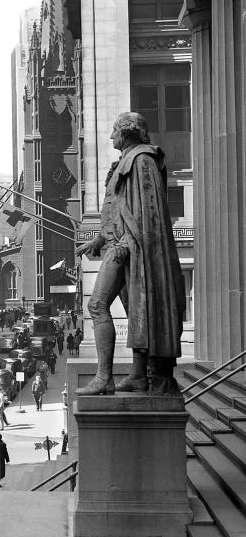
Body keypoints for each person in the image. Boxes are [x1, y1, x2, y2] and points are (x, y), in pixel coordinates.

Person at [76, 112, 185, 396]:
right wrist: (98, 239)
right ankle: (138, 376)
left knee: (97, 305)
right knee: (138, 312)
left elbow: (149, 213)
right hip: (121, 247)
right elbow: (119, 211)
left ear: (128, 132)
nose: (111, 135)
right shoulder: (126, 161)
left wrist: (125, 244)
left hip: (128, 249)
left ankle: (104, 377)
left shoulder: (142, 160)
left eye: (114, 130)